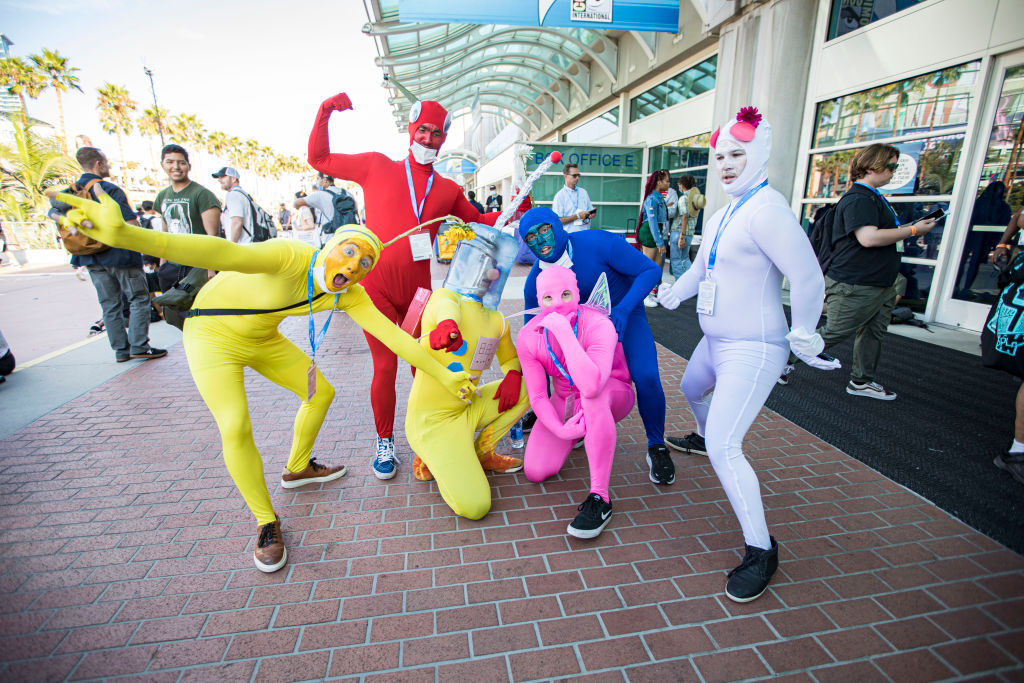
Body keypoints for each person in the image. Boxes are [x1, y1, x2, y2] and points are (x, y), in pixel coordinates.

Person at [55, 186, 478, 573]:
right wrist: (126, 235)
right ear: (330, 245)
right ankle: (265, 522)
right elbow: (217, 252)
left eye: (365, 263)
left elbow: (397, 339)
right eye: (349, 251)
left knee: (320, 392)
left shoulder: (349, 292)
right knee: (235, 425)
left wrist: (446, 373)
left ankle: (297, 468)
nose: (353, 265)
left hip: (263, 339)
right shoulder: (289, 256)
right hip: (212, 337)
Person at [657, 106, 840, 602]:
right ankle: (703, 433)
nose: (726, 163)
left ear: (758, 154)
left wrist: (804, 330)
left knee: (725, 446)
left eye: (737, 154)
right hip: (714, 341)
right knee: (691, 387)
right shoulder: (723, 212)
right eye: (719, 156)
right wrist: (677, 291)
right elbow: (702, 268)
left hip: (754, 347)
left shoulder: (768, 212)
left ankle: (762, 549)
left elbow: (807, 277)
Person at [307, 92, 496, 480]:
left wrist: (522, 210)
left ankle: (429, 436)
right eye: (422, 130)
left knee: (423, 365)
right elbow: (320, 159)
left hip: (418, 294)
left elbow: (480, 220)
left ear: (444, 139)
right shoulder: (378, 166)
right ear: (411, 129)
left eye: (437, 134)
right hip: (373, 289)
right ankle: (385, 442)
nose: (428, 140)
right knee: (385, 365)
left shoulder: (447, 190)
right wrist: (325, 112)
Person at [518, 207, 673, 485]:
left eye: (544, 230)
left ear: (558, 226)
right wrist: (545, 407)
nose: (541, 240)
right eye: (531, 237)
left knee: (647, 376)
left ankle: (656, 444)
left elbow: (650, 270)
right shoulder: (534, 285)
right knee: (580, 386)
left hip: (622, 321)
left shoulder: (598, 243)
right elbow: (538, 342)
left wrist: (624, 309)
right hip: (580, 338)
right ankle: (579, 425)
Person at [778, 143, 938, 397]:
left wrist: (911, 227)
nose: (893, 172)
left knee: (873, 331)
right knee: (834, 330)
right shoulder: (859, 198)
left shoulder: (873, 197)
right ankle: (779, 363)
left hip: (878, 281)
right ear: (872, 166)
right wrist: (915, 230)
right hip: (857, 281)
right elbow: (868, 238)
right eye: (891, 166)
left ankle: (861, 381)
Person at [406, 224, 529, 518]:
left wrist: (514, 374)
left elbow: (509, 359)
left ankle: (481, 452)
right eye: (477, 260)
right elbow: (448, 310)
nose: (484, 270)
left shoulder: (498, 320)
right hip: (432, 422)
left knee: (529, 389)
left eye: (491, 265)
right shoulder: (443, 297)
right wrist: (447, 326)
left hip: (468, 407)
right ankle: (432, 454)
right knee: (475, 507)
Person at [517, 266, 635, 538]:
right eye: (548, 298)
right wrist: (560, 430)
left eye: (565, 294)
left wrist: (564, 332)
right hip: (564, 399)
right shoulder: (528, 335)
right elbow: (537, 395)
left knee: (592, 399)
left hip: (611, 393)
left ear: (577, 294)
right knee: (536, 471)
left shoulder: (598, 323)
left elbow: (592, 384)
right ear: (538, 300)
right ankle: (579, 435)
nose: (557, 303)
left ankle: (600, 498)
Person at [51, 146, 166, 363]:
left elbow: (53, 213)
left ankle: (121, 350)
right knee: (139, 298)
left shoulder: (70, 193)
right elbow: (130, 224)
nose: (109, 166)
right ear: (98, 164)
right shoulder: (108, 190)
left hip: (89, 257)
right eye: (106, 162)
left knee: (109, 304)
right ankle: (139, 345)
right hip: (120, 256)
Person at [154, 144, 222, 290]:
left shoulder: (202, 194)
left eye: (181, 162)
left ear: (188, 166)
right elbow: (165, 233)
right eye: (170, 162)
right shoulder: (162, 196)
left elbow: (213, 235)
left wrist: (211, 268)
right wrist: (162, 266)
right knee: (172, 311)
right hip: (172, 266)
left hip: (198, 267)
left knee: (200, 312)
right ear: (162, 165)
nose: (176, 167)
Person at [638, 170, 670, 307]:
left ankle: (651, 293)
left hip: (656, 233)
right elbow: (652, 222)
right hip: (650, 233)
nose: (668, 183)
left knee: (656, 268)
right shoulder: (651, 199)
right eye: (667, 180)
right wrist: (659, 242)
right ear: (659, 182)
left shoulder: (659, 198)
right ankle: (642, 296)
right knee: (648, 267)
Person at [212, 167, 256, 245]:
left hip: (241, 247)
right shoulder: (242, 194)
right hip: (248, 245)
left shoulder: (234, 195)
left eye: (223, 177)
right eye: (219, 177)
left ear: (233, 179)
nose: (219, 179)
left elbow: (237, 222)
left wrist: (231, 246)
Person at [552, 163, 595, 234]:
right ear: (565, 176)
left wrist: (591, 214)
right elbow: (557, 221)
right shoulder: (560, 196)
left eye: (578, 175)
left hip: (585, 234)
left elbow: (589, 211)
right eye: (574, 175)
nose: (577, 178)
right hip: (569, 237)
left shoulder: (583, 192)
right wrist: (577, 216)